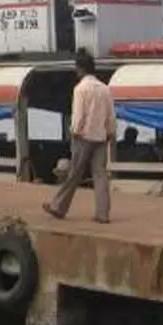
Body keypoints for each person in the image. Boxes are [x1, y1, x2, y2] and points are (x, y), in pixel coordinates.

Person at [43, 50, 116, 223]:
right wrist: (110, 132)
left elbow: (78, 115)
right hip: (100, 136)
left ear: (80, 69)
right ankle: (102, 214)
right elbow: (111, 115)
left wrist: (74, 131)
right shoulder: (105, 89)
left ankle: (58, 207)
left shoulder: (80, 89)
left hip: (83, 136)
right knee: (100, 175)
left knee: (74, 174)